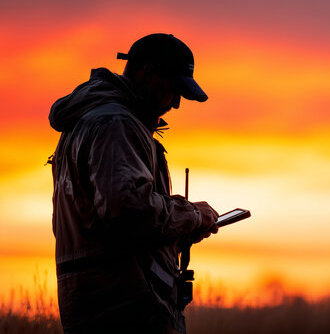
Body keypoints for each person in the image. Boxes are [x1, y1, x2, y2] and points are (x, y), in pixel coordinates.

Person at [48, 33, 219, 334]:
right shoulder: (117, 124)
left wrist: (179, 234)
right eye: (174, 89)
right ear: (148, 74)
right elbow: (127, 209)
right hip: (126, 304)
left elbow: (102, 225)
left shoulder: (88, 122)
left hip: (96, 301)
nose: (177, 103)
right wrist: (192, 215)